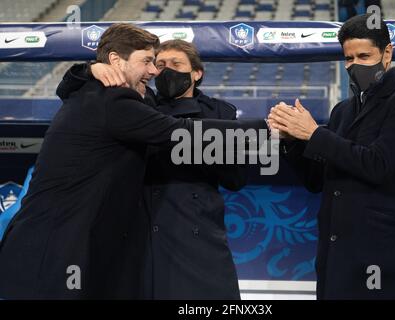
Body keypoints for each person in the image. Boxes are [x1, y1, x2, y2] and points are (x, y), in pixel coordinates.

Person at [0, 23, 266, 299]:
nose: (156, 71)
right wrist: (268, 128)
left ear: (197, 73)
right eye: (150, 61)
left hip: (126, 247)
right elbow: (180, 132)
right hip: (60, 248)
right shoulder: (115, 100)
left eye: (170, 63)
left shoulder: (119, 96)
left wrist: (88, 69)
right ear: (116, 60)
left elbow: (232, 173)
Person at [57, 40, 245, 299]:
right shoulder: (139, 102)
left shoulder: (220, 113)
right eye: (160, 65)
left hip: (199, 232)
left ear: (196, 73)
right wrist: (90, 70)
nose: (166, 71)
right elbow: (67, 90)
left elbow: (236, 178)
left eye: (176, 64)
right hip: (143, 232)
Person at [268, 14, 395, 299]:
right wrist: (291, 140)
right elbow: (316, 180)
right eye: (349, 58)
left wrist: (314, 134)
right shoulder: (342, 110)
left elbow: (378, 165)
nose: (355, 65)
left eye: (364, 56)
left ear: (387, 53)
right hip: (335, 254)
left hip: (380, 253)